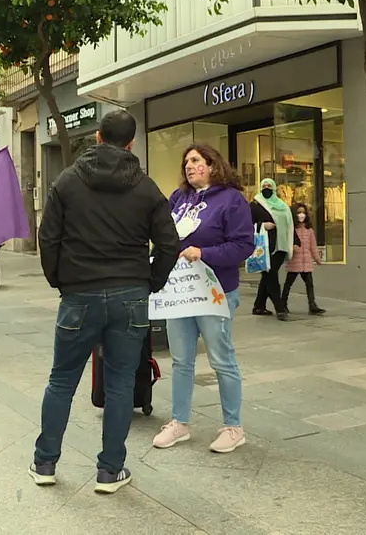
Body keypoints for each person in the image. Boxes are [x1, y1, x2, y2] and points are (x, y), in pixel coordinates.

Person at [30, 110, 179, 494]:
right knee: (119, 385)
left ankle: (45, 462)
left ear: (97, 137)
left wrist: (60, 279)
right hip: (131, 295)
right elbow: (168, 245)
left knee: (61, 380)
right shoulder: (146, 188)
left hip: (80, 293)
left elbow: (48, 238)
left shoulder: (67, 181)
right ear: (131, 143)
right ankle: (110, 470)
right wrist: (151, 283)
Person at [152, 143, 255, 454]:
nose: (189, 165)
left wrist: (204, 253)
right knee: (181, 360)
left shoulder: (231, 200)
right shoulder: (178, 198)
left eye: (196, 160)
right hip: (180, 293)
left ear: (212, 164)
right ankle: (179, 422)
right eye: (186, 161)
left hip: (215, 293)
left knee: (221, 359)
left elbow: (243, 245)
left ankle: (233, 427)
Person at [249, 177, 294, 319]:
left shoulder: (282, 205)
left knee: (268, 276)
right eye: (264, 186)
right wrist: (262, 225)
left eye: (269, 186)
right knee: (271, 275)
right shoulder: (255, 205)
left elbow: (290, 225)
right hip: (265, 247)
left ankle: (259, 306)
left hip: (281, 246)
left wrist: (294, 242)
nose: (267, 188)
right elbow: (246, 225)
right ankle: (280, 308)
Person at [281, 202, 326, 316]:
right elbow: (285, 243)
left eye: (303, 213)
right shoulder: (291, 229)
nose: (302, 215)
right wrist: (291, 248)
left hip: (306, 263)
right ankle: (283, 304)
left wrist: (318, 259)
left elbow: (313, 246)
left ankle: (312, 305)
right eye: (299, 213)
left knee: (309, 284)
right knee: (288, 284)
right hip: (295, 262)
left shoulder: (309, 230)